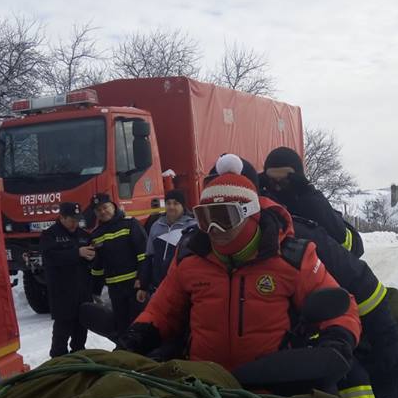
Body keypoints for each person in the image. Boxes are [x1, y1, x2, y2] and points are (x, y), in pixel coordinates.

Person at [120, 155, 361, 374]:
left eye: (224, 217)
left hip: (273, 389)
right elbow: (163, 309)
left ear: (250, 213)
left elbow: (341, 307)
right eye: (206, 218)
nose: (214, 230)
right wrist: (139, 335)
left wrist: (338, 339)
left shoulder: (293, 257)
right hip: (201, 386)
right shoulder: (189, 257)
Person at [259, 146, 364, 257]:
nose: (278, 188)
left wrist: (312, 199)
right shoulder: (263, 206)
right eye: (272, 182)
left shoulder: (313, 207)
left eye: (284, 182)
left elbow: (354, 247)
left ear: (298, 179)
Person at [40, 201, 95, 358]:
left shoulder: (84, 236)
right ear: (62, 217)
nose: (75, 223)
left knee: (81, 331)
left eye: (77, 220)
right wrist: (77, 253)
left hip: (82, 292)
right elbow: (50, 258)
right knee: (62, 333)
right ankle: (58, 362)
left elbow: (92, 261)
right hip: (62, 293)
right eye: (72, 220)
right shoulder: (50, 235)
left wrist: (93, 256)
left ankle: (79, 358)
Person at [89, 193, 148, 338]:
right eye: (98, 210)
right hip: (115, 289)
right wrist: (94, 290)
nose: (103, 212)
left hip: (134, 286)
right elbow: (98, 265)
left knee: (139, 323)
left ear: (113, 206)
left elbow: (144, 255)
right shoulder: (96, 234)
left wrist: (142, 281)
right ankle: (125, 354)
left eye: (105, 207)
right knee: (121, 326)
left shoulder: (130, 224)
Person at [136, 189, 197, 300]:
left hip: (183, 287)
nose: (171, 207)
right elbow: (149, 256)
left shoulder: (192, 226)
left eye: (176, 203)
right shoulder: (156, 226)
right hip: (159, 287)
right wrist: (143, 286)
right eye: (168, 203)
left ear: (183, 205)